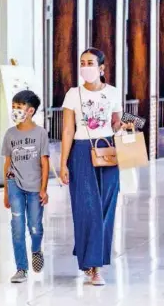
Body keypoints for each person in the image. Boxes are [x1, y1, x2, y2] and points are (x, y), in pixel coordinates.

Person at [60, 48, 123, 286]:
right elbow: (67, 130)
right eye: (82, 62)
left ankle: (94, 261)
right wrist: (63, 162)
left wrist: (123, 124)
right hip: (81, 151)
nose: (85, 67)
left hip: (108, 150)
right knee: (86, 207)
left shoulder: (113, 93)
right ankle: (92, 266)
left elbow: (116, 121)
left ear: (102, 68)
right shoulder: (72, 94)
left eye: (91, 63)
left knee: (106, 207)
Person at [2, 90, 50, 283]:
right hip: (14, 184)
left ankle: (36, 249)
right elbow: (7, 163)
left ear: (30, 111)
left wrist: (44, 189)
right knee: (17, 226)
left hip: (35, 186)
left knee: (35, 226)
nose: (15, 111)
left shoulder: (40, 133)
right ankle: (21, 268)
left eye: (19, 107)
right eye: (13, 107)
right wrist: (6, 190)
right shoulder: (10, 134)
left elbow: (45, 163)